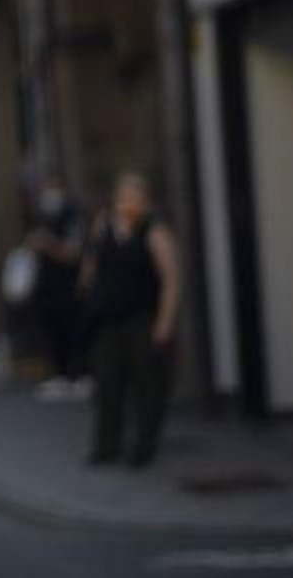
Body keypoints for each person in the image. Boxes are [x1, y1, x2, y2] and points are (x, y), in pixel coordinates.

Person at [81, 172, 181, 468]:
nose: (128, 203)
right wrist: (87, 286)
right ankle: (106, 445)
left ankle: (144, 446)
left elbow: (171, 279)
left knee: (146, 381)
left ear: (145, 202)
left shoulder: (154, 232)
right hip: (108, 316)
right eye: (124, 197)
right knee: (107, 379)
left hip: (141, 316)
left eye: (135, 198)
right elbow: (92, 261)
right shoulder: (103, 225)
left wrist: (164, 322)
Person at [26, 176, 89, 401]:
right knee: (52, 329)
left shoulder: (71, 214)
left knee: (73, 328)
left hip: (68, 285)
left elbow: (73, 253)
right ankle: (60, 375)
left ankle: (80, 374)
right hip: (48, 287)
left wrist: (49, 244)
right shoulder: (42, 216)